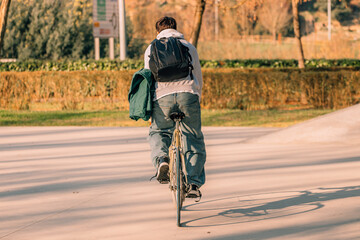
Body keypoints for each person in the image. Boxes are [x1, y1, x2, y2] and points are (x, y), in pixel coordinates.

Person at [144, 16, 206, 198]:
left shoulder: (151, 48)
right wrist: (197, 97)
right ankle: (194, 183)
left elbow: (148, 79)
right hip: (188, 95)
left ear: (158, 31)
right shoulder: (188, 46)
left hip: (162, 98)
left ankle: (162, 160)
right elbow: (197, 75)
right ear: (176, 28)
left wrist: (150, 110)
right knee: (193, 137)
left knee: (158, 132)